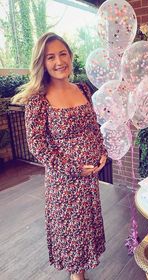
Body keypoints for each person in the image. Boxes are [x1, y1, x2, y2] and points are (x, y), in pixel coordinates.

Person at [12, 32, 108, 280]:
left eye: (62, 54)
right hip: (64, 181)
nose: (58, 61)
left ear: (70, 55)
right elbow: (38, 145)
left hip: (89, 177)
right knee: (72, 230)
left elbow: (93, 127)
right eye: (50, 57)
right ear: (42, 64)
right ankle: (77, 274)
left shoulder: (83, 89)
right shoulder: (38, 100)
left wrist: (102, 152)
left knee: (86, 224)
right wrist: (73, 169)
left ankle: (83, 267)